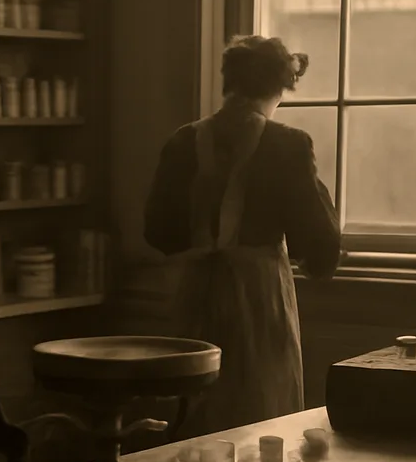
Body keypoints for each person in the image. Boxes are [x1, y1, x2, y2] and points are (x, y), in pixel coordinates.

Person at [143, 35, 341, 437]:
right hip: (259, 297)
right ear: (279, 88)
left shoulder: (183, 141)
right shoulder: (288, 145)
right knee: (261, 413)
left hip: (194, 292)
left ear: (228, 82)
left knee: (196, 412)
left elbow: (157, 232)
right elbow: (320, 249)